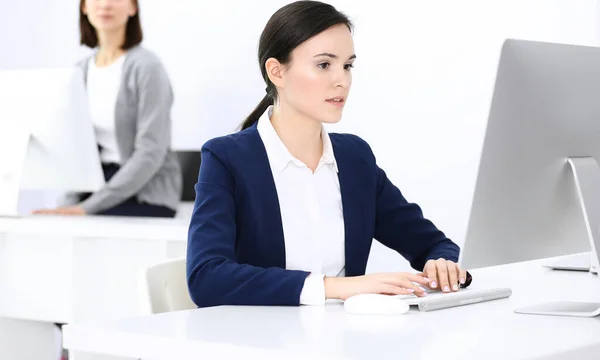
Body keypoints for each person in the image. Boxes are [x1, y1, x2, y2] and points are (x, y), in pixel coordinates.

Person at [186, 0, 466, 308]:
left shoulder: (354, 158)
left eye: (347, 65)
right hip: (261, 343)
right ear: (277, 72)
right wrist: (336, 288)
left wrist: (441, 262)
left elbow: (431, 243)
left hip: (343, 342)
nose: (341, 80)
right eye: (324, 65)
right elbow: (206, 278)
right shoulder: (227, 158)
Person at [33, 0, 181, 218]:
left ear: (133, 7)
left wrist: (87, 207)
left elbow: (150, 152)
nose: (105, 4)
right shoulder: (79, 72)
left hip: (145, 192)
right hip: (96, 186)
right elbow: (74, 148)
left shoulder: (148, 68)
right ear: (84, 7)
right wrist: (66, 204)